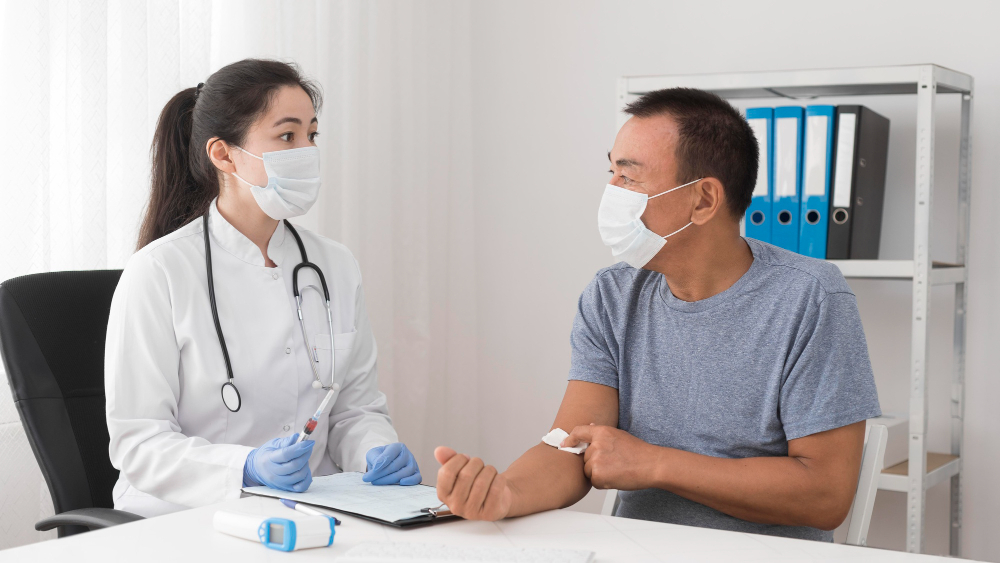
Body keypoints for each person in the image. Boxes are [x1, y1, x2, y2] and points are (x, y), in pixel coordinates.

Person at [433, 88, 881, 541]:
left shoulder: (810, 296)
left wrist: (657, 464)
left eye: (629, 178)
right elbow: (570, 445)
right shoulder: (611, 295)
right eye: (611, 172)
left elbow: (826, 494)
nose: (611, 193)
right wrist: (505, 494)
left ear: (704, 200)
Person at [105, 59, 419, 518]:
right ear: (224, 155)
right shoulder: (159, 271)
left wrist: (375, 451)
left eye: (312, 134)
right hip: (181, 515)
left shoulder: (334, 265)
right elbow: (140, 442)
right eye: (287, 136)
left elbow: (354, 409)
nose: (307, 150)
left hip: (308, 508)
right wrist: (245, 467)